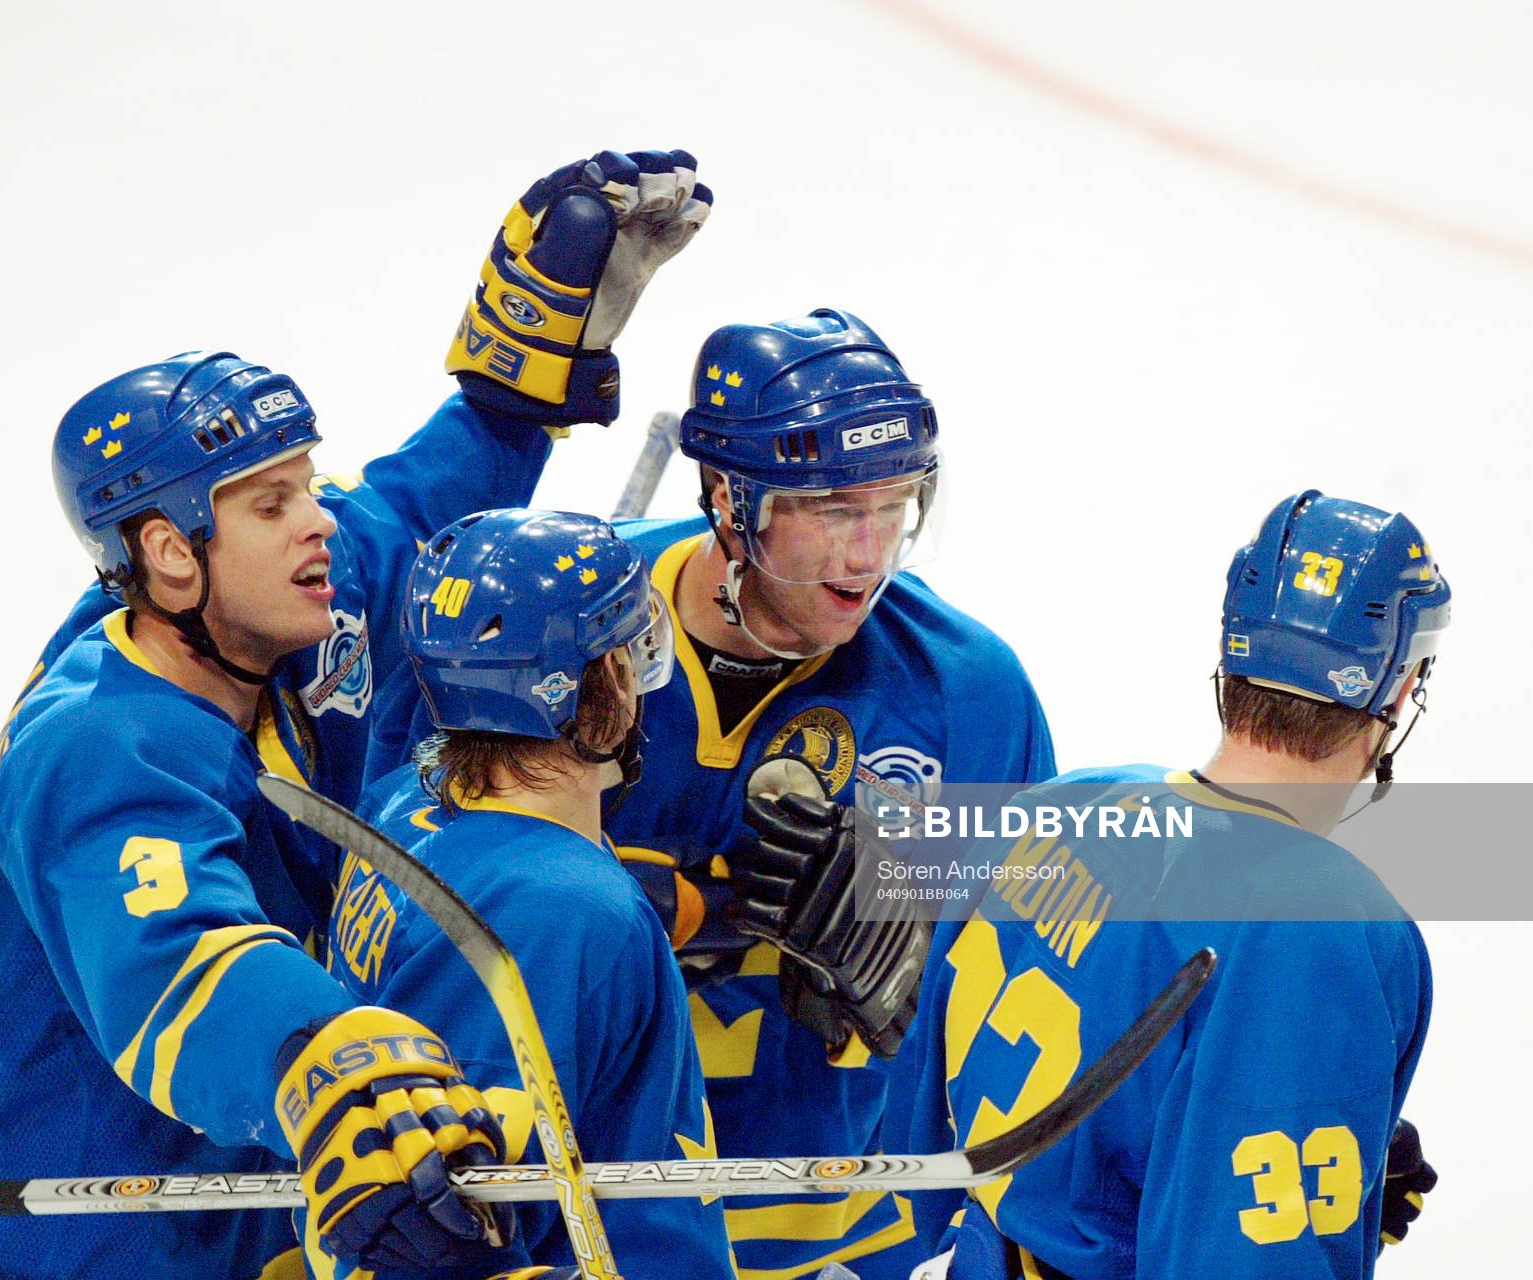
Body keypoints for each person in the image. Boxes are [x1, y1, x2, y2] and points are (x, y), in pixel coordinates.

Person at [0, 149, 712, 1280]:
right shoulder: (93, 743)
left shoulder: (287, 615)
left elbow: (413, 502)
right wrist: (322, 1058)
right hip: (64, 1254)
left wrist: (517, 376)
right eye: (273, 502)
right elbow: (181, 961)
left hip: (233, 1230)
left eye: (306, 482)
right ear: (173, 553)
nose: (316, 523)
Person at [363, 310, 1055, 1278]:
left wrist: (927, 954)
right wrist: (669, 906)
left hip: (853, 1240)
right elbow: (405, 877)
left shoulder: (967, 691)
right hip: (595, 1241)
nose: (867, 554)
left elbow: (1037, 973)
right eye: (832, 507)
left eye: (892, 505)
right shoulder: (552, 629)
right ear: (731, 501)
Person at [888, 489, 1449, 1279]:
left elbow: (916, 1127)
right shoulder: (1318, 922)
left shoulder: (1058, 806)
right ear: (1395, 691)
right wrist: (1296, 1190)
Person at [333, 508, 734, 1280]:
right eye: (633, 647)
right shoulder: (563, 912)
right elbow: (445, 1215)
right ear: (609, 678)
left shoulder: (401, 799)